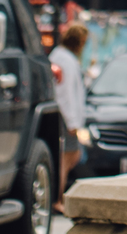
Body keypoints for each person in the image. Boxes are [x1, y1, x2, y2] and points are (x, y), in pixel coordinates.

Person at [49, 22, 87, 201]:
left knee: (71, 156)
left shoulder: (63, 58)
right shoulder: (64, 60)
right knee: (65, 158)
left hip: (67, 117)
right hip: (66, 118)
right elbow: (65, 93)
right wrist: (72, 122)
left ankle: (58, 195)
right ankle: (58, 198)